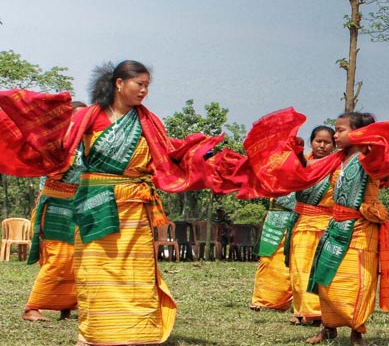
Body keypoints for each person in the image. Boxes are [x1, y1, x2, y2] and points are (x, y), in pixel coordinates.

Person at [0, 61, 224, 345]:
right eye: (139, 84)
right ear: (119, 84)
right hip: (95, 202)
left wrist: (204, 155)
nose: (144, 91)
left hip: (134, 206)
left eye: (147, 86)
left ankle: (137, 333)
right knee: (96, 268)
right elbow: (59, 144)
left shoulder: (148, 121)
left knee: (136, 269)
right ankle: (95, 333)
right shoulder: (90, 116)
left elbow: (168, 152)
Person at [234, 110, 389, 346]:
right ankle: (328, 330)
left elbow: (385, 169)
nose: (335, 135)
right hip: (335, 226)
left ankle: (357, 333)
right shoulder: (336, 159)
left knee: (357, 282)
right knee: (325, 280)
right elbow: (303, 176)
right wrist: (292, 151)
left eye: (340, 130)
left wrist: (377, 139)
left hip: (360, 229)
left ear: (359, 133)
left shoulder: (370, 158)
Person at [21, 101, 87, 322]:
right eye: (75, 118)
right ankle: (32, 307)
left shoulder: (88, 145)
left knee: (76, 258)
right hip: (55, 205)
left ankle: (66, 307)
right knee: (58, 257)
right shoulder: (57, 144)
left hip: (78, 204)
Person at [287, 126, 337, 324]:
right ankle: (302, 311)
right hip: (303, 223)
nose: (322, 146)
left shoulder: (337, 166)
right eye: (319, 141)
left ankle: (319, 311)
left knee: (321, 269)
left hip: (328, 224)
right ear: (311, 142)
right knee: (300, 268)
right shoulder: (303, 162)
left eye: (327, 142)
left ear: (334, 145)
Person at [249, 195, 298, 312]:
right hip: (274, 219)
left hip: (297, 218)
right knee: (267, 260)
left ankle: (296, 304)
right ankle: (264, 300)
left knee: (294, 261)